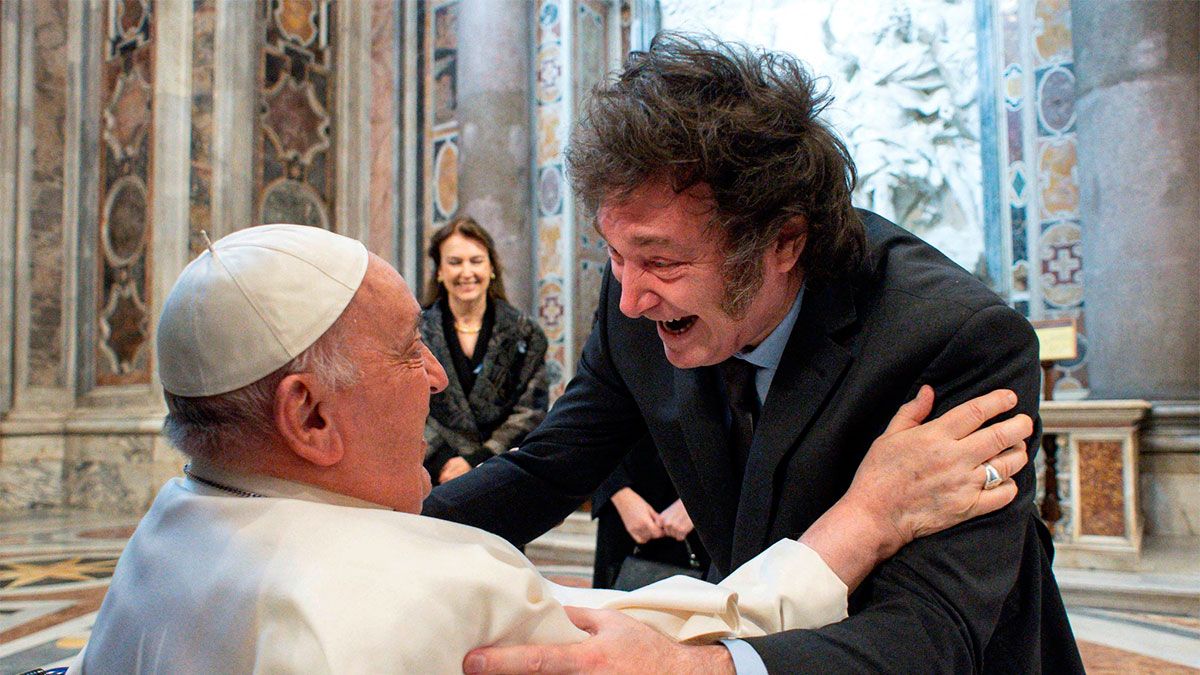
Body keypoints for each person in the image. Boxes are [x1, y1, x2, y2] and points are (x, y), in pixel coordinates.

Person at [67, 224, 1028, 674]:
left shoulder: (167, 533)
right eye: (405, 349)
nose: (433, 377)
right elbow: (664, 644)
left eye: (659, 259)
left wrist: (421, 537)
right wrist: (865, 517)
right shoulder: (421, 590)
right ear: (309, 417)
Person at [423, 33, 1084, 674]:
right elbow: (547, 470)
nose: (629, 299)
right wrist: (391, 535)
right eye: (615, 255)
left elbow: (932, 630)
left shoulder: (954, 339)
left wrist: (695, 669)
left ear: (784, 242)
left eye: (661, 262)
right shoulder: (638, 293)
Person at [420, 216, 549, 485]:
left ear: (491, 267)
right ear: (440, 271)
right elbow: (403, 405)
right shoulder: (414, 334)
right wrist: (444, 461)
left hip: (503, 474)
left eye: (476, 261)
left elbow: (531, 412)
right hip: (432, 475)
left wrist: (478, 459)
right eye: (455, 262)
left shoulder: (525, 334)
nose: (466, 272)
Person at [592, 436, 710, 590]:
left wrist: (699, 498)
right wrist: (618, 492)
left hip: (709, 508)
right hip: (625, 503)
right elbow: (589, 434)